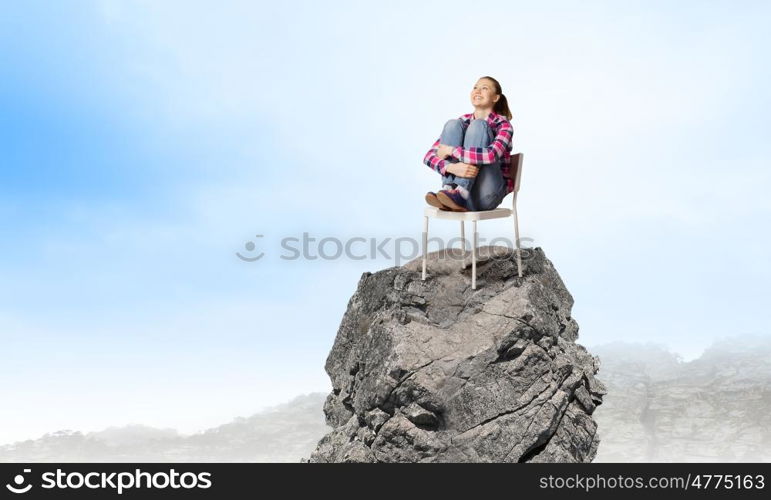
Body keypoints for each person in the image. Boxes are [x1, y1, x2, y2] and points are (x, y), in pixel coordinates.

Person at [423, 76, 514, 212]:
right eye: (475, 88)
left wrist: (452, 151)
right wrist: (451, 168)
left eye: (484, 88)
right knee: (452, 124)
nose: (478, 91)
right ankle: (450, 190)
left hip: (486, 194)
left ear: (495, 98)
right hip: (454, 197)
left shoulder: (503, 125)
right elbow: (429, 156)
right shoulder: (462, 121)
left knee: (478, 126)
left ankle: (461, 192)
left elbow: (491, 155)